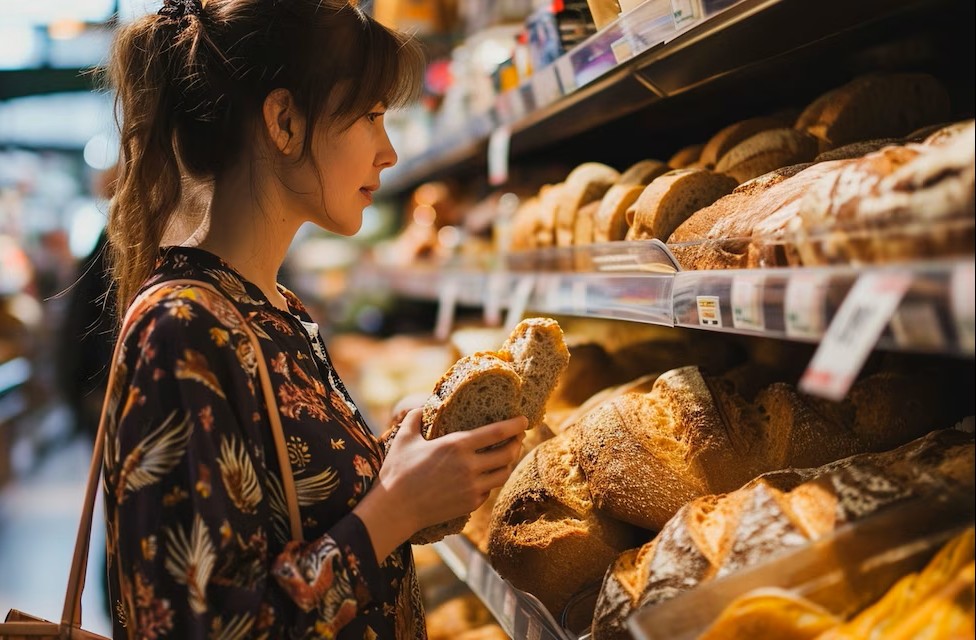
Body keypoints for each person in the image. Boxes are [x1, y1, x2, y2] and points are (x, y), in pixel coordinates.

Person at [101, 1, 528, 638]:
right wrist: (396, 506)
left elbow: (289, 513)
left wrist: (393, 458)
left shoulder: (271, 307)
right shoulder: (183, 329)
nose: (388, 152)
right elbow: (200, 626)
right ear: (285, 121)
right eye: (372, 117)